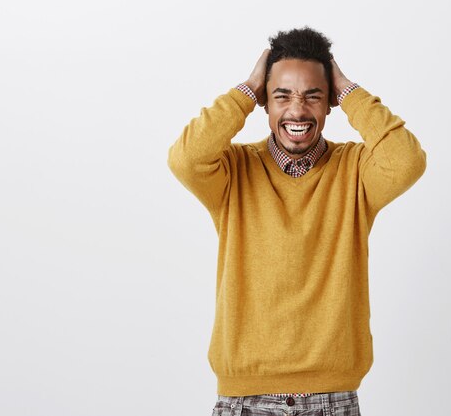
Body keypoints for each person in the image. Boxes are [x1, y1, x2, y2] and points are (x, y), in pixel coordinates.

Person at [167, 26, 427, 416]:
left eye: (312, 96)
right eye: (281, 95)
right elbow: (186, 158)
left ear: (329, 104)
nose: (297, 110)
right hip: (245, 400)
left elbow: (406, 161)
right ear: (264, 103)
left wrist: (349, 91)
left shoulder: (355, 171)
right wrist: (246, 89)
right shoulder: (232, 171)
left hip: (332, 399)